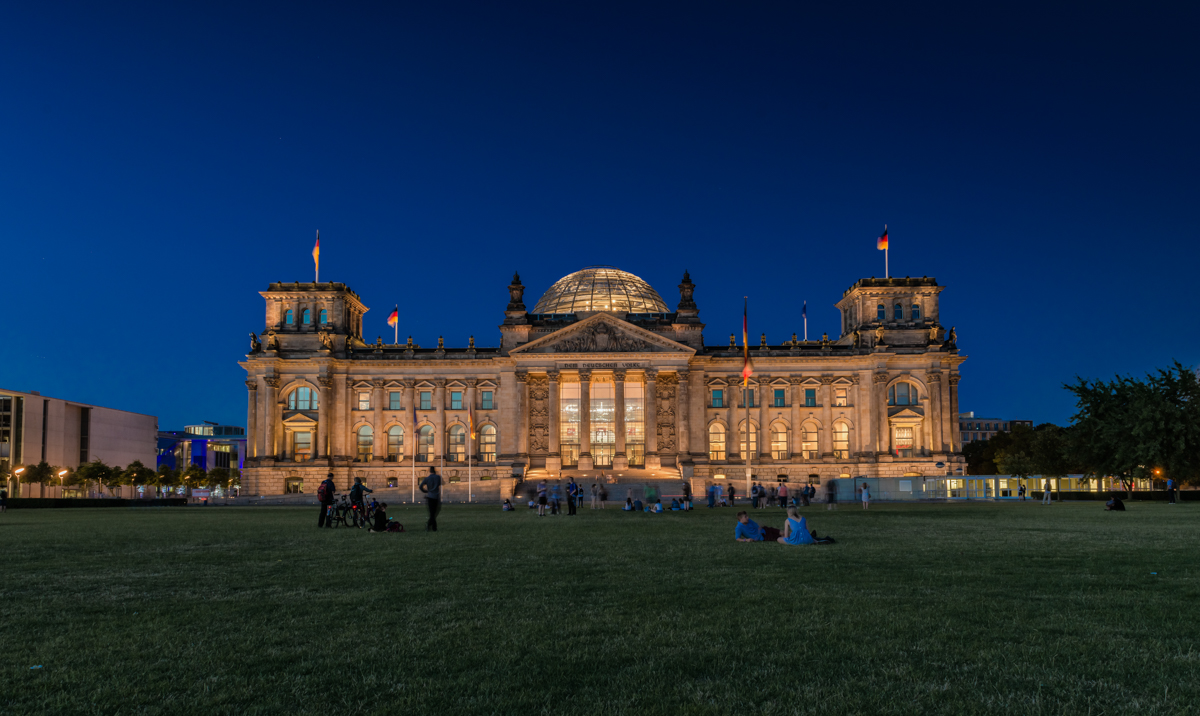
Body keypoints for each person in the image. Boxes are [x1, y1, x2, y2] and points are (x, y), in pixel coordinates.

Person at [418, 466, 442, 532]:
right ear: (434, 470)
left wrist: (425, 491)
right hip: (436, 497)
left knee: (432, 513)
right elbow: (440, 484)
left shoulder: (427, 478)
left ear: (430, 471)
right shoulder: (438, 477)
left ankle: (430, 526)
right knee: (434, 513)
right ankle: (433, 527)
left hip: (430, 496)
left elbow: (420, 486)